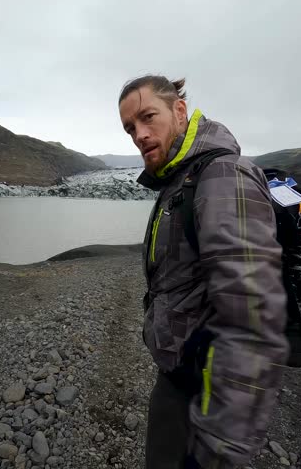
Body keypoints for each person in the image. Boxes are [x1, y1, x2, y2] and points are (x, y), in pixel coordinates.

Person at [117, 75, 290, 469]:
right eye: (130, 128)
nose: (139, 135)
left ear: (180, 111)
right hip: (183, 377)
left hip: (202, 393)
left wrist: (220, 444)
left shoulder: (223, 176)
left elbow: (252, 319)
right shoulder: (184, 178)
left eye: (148, 117)